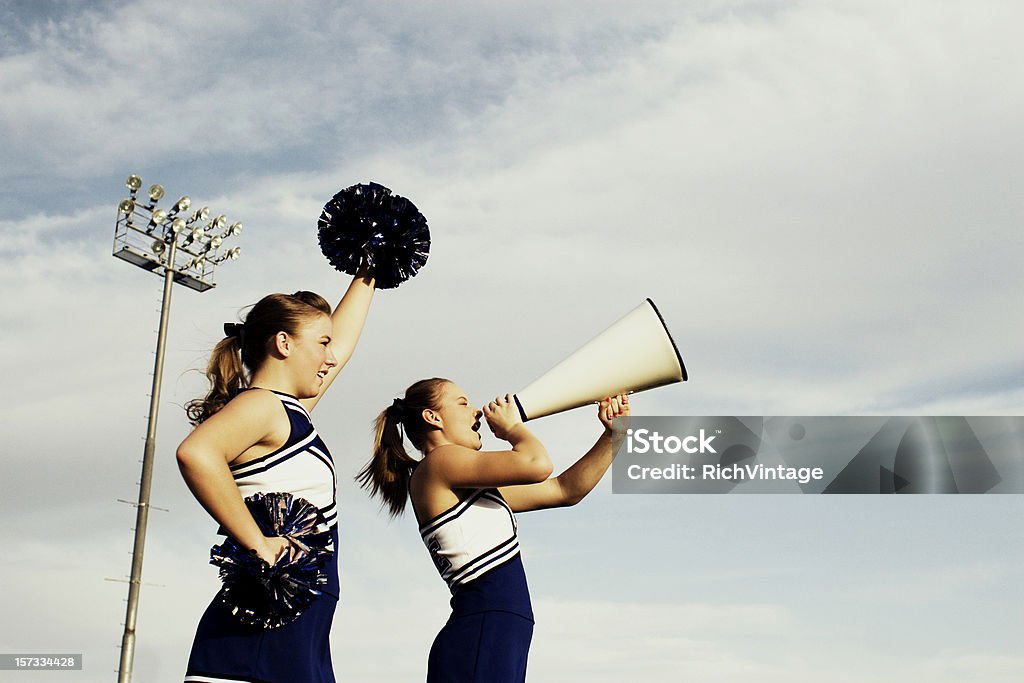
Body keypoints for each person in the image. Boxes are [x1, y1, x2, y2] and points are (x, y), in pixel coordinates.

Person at [358, 378, 629, 682]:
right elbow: (537, 464)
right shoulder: (440, 462)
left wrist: (614, 434)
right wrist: (511, 427)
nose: (476, 412)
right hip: (482, 632)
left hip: (494, 634)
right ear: (432, 417)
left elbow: (565, 490)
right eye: (462, 403)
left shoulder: (461, 479)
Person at [177, 270, 375, 683]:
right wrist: (258, 543)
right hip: (258, 642)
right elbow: (196, 453)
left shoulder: (287, 411)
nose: (330, 356)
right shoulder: (263, 406)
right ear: (283, 343)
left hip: (299, 626)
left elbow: (344, 344)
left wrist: (371, 267)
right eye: (321, 343)